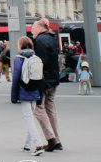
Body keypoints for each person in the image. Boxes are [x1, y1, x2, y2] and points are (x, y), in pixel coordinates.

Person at [10, 36, 45, 154]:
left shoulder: (18, 58)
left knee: (28, 118)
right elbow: (41, 78)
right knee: (31, 117)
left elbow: (16, 77)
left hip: (24, 90)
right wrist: (40, 96)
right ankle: (26, 145)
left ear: (20, 46)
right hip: (35, 90)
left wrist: (14, 96)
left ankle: (38, 144)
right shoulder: (36, 58)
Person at [31, 18, 62, 152]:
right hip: (54, 78)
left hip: (44, 79)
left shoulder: (39, 41)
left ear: (39, 28)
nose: (32, 30)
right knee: (50, 108)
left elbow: (40, 62)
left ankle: (51, 139)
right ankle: (58, 138)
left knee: (38, 108)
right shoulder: (52, 38)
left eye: (33, 28)